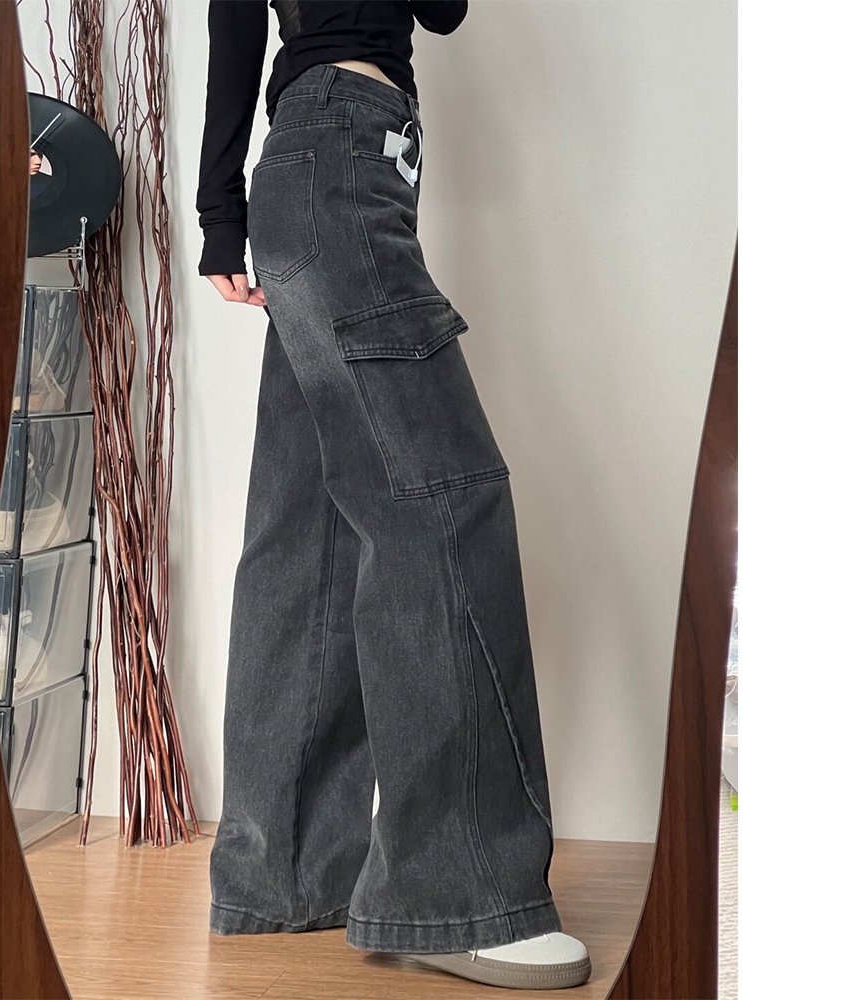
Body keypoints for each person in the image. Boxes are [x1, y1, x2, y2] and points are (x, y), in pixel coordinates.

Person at [196, 2, 591, 990]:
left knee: (309, 529)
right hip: (337, 162)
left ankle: (283, 874)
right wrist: (216, 217)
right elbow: (238, 18)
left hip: (332, 170)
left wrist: (224, 215)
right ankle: (455, 896)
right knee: (442, 501)